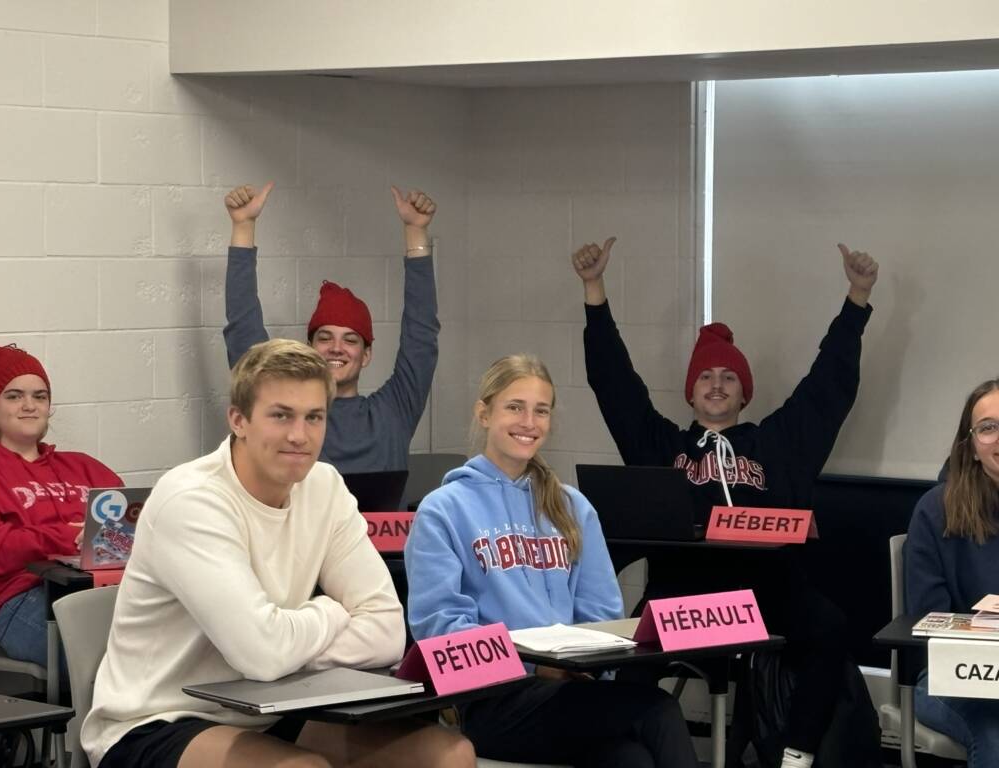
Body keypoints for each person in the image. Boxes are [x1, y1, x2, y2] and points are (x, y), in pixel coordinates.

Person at [82, 339, 472, 768]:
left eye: (314, 417)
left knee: (447, 754)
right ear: (238, 420)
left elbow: (385, 630)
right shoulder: (192, 501)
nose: (299, 436)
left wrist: (279, 646)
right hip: (158, 720)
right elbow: (263, 654)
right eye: (281, 415)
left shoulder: (324, 486)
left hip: (274, 707)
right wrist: (330, 612)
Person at [572, 239, 880, 768]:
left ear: (745, 394)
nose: (717, 385)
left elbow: (827, 386)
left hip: (768, 594)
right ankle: (623, 752)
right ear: (691, 393)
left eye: (729, 377)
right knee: (629, 666)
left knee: (829, 627)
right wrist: (594, 294)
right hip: (682, 594)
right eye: (706, 377)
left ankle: (797, 753)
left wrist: (857, 297)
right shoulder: (661, 446)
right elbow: (616, 386)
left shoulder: (778, 444)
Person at [405, 354, 699, 768]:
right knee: (658, 710)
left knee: (629, 759)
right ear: (483, 413)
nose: (529, 422)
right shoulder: (443, 510)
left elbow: (602, 613)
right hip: (493, 702)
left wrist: (582, 668)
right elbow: (440, 627)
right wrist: (537, 665)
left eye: (540, 411)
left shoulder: (571, 506)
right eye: (514, 407)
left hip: (570, 690)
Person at [223, 182, 440, 473]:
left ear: (366, 354)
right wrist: (243, 226)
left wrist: (415, 232)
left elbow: (421, 334)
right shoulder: (288, 417)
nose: (336, 347)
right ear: (310, 349)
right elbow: (243, 333)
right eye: (325, 338)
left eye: (350, 339)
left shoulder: (392, 411)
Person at [0, 343, 122, 670]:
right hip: (26, 598)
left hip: (112, 590)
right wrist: (67, 538)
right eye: (14, 396)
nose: (29, 406)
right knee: (114, 663)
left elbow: (137, 523)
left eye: (39, 396)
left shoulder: (86, 467)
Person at [906, 377, 999, 768]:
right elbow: (930, 621)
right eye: (988, 428)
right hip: (952, 677)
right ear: (972, 446)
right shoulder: (935, 510)